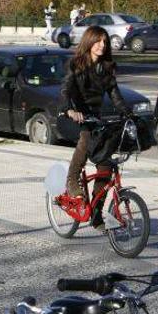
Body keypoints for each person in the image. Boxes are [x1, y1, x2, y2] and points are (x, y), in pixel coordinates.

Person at [60, 25, 132, 230]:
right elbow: (66, 89)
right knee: (85, 138)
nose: (102, 45)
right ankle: (72, 180)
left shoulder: (106, 68)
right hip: (74, 117)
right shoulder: (74, 64)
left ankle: (97, 213)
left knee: (106, 165)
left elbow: (115, 95)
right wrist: (70, 110)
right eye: (98, 41)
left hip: (94, 118)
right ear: (89, 42)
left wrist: (128, 114)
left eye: (105, 42)